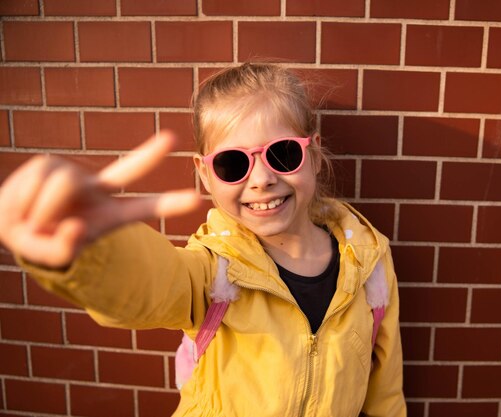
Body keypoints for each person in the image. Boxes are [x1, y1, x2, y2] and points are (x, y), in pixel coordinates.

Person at [0, 63, 406, 417]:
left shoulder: (369, 263)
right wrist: (90, 251)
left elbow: (385, 390)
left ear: (313, 155)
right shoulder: (214, 270)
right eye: (233, 163)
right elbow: (150, 287)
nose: (262, 180)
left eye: (282, 154)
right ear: (205, 173)